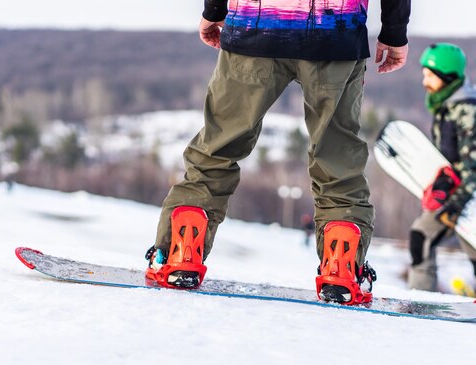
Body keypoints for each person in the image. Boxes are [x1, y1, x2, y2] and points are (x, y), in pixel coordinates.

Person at [145, 0, 410, 305]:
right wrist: (394, 29)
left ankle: (181, 253)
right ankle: (341, 270)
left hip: (255, 24)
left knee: (217, 150)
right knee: (337, 157)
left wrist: (214, 11)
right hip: (336, 30)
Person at [408, 43, 476, 299]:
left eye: (430, 75)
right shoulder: (448, 105)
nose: (424, 81)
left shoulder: (470, 110)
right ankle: (422, 300)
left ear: (448, 77)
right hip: (457, 193)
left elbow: (471, 168)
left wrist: (453, 206)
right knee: (421, 237)